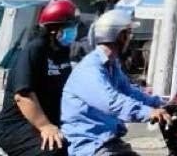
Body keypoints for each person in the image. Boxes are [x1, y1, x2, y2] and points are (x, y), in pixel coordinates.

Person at [61, 9, 170, 156]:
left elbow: (129, 91)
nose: (131, 38)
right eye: (129, 33)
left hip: (107, 140)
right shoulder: (90, 68)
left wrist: (160, 102)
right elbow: (112, 102)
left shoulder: (111, 65)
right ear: (120, 36)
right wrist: (148, 112)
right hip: (90, 145)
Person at [0, 0, 79, 156]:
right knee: (55, 151)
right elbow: (23, 95)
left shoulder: (61, 51)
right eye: (70, 26)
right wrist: (45, 126)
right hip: (16, 126)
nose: (74, 31)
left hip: (50, 121)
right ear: (54, 29)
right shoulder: (35, 49)